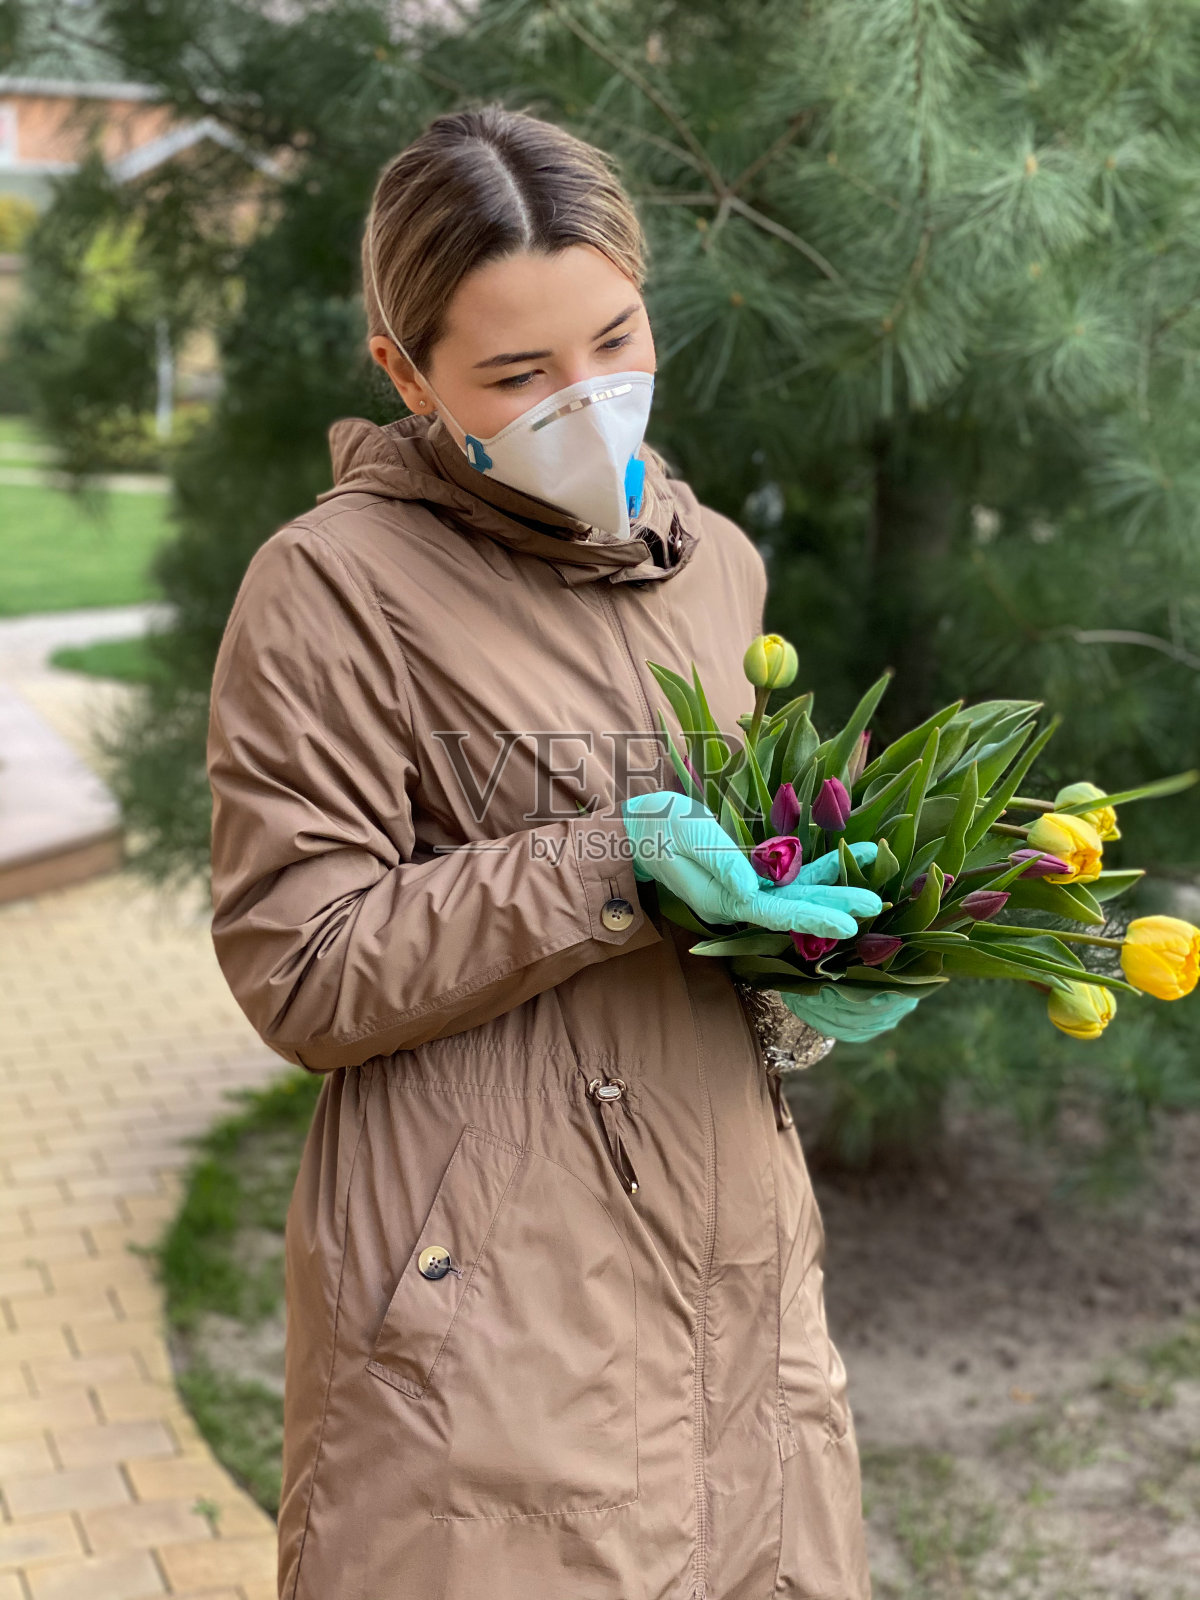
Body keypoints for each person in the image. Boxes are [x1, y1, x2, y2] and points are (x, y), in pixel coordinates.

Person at [206, 101, 909, 1600]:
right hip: (493, 1313)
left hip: (739, 1266)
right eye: (520, 373)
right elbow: (302, 965)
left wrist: (807, 969)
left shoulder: (715, 563)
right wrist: (605, 863)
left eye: (615, 336)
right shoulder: (332, 589)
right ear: (407, 374)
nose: (587, 397)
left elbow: (728, 887)